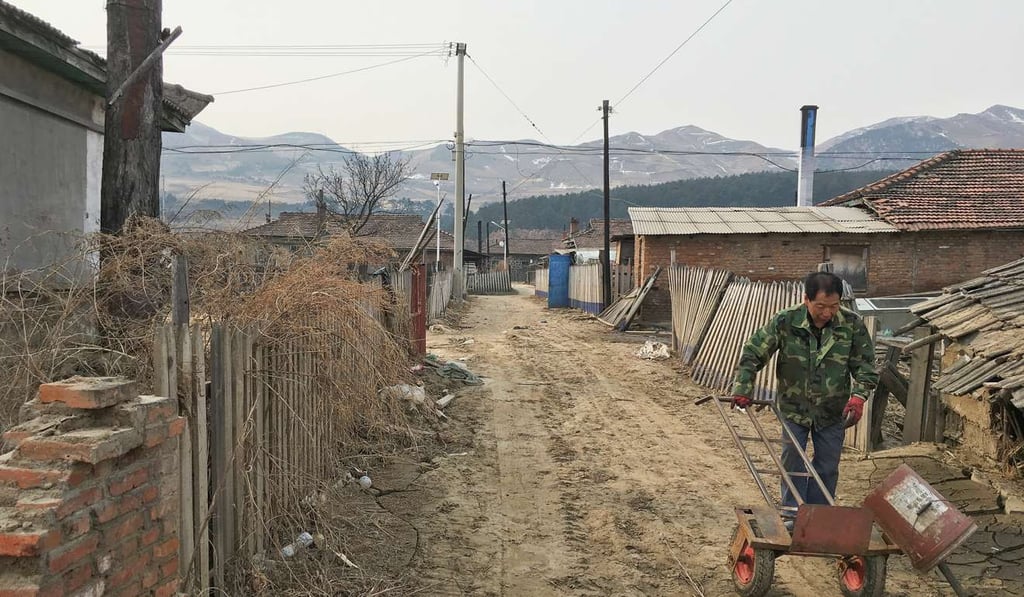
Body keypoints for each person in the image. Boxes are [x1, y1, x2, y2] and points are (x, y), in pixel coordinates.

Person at [730, 271, 878, 517]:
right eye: (820, 306)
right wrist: (743, 387)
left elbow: (865, 367)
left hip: (832, 411)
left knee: (828, 467)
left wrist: (859, 397)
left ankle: (818, 518)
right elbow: (753, 352)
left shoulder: (852, 325)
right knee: (793, 463)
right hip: (794, 408)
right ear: (806, 299)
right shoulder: (785, 321)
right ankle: (792, 514)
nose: (827, 313)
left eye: (833, 306)